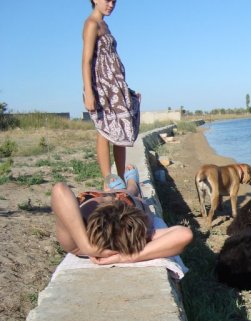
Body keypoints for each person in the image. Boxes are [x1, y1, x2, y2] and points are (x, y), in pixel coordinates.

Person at [52, 164, 192, 265]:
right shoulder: (136, 234)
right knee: (130, 193)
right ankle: (132, 185)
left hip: (90, 198)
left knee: (124, 194)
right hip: (127, 202)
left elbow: (59, 190)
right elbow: (184, 234)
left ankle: (123, 189)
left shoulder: (75, 243)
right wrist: (126, 257)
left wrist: (85, 246)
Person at [82, 0, 140, 191]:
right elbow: (87, 60)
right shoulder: (91, 24)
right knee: (104, 131)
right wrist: (89, 92)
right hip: (102, 87)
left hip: (115, 86)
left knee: (120, 131)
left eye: (114, 1)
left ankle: (121, 179)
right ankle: (108, 181)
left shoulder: (105, 24)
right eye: (107, 0)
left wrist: (125, 89)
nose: (111, 4)